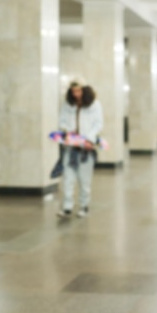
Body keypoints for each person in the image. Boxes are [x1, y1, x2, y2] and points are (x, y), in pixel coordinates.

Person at [57, 82, 103, 218]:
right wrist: (67, 132)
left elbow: (98, 124)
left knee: (84, 179)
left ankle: (84, 206)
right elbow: (62, 121)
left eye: (78, 91)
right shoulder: (67, 104)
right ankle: (67, 207)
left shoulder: (95, 104)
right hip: (70, 146)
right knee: (68, 178)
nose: (76, 94)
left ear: (84, 90)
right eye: (73, 91)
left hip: (86, 148)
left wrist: (89, 139)